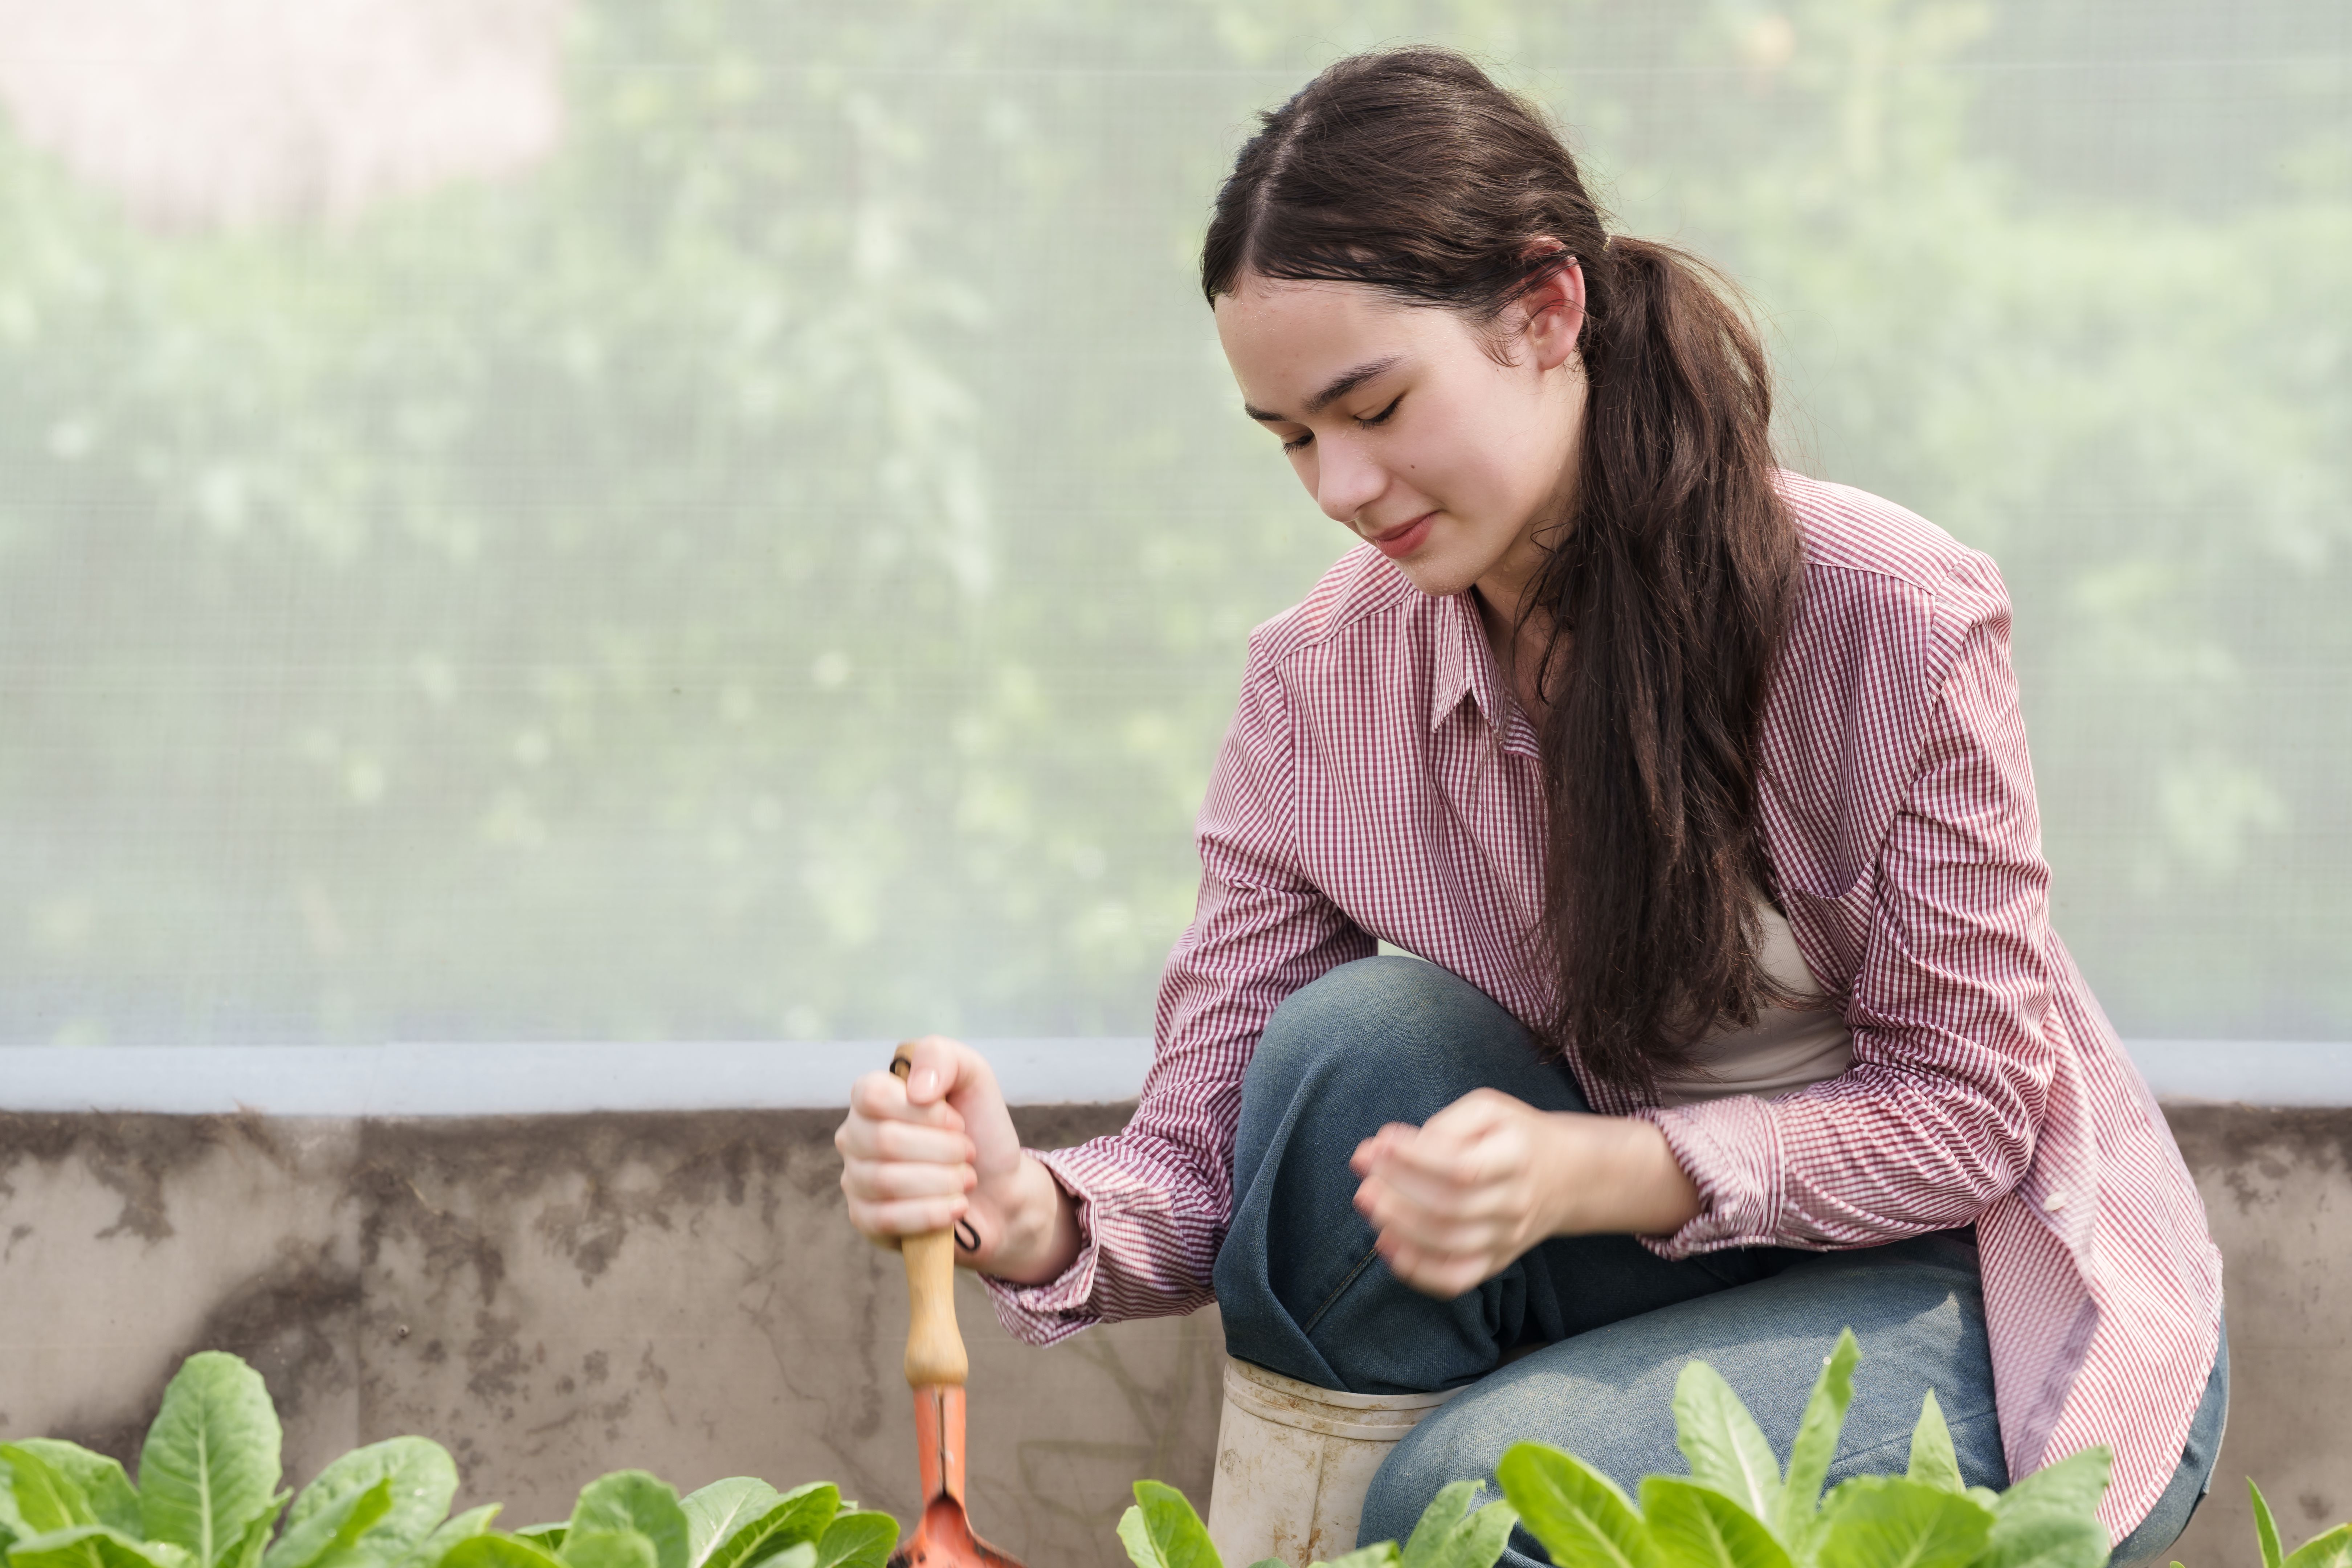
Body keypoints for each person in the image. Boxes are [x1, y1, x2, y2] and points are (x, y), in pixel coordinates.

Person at [834, 47, 2225, 1568]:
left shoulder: (1883, 615)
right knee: (1353, 1049)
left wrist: (1597, 1171)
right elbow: (1214, 1152)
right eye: (1294, 437)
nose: (1342, 487)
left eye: (1372, 405)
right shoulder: (1323, 684)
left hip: (1976, 1293)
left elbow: (1971, 1118)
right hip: (1639, 1278)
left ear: (1545, 312)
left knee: (1474, 1490)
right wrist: (1016, 1205)